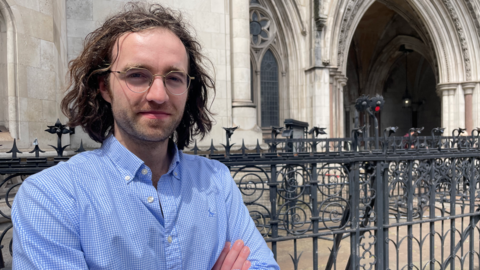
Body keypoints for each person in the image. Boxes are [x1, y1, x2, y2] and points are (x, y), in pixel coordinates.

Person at [11, 3, 279, 269]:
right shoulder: (51, 197)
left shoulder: (217, 182)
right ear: (104, 86)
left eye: (174, 77)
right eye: (137, 75)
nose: (158, 95)